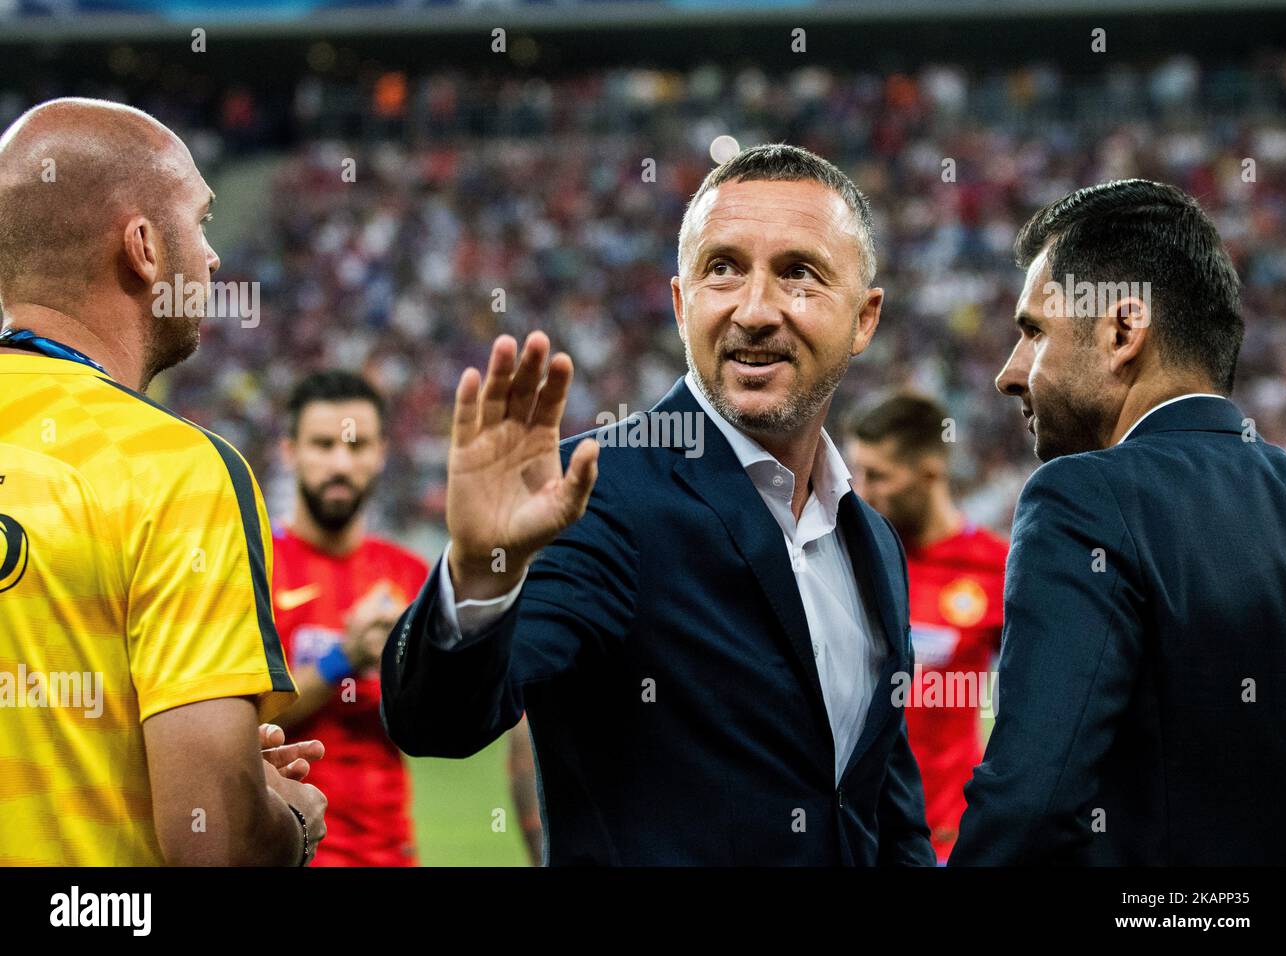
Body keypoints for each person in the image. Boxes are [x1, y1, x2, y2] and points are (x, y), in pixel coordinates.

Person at [382, 143, 933, 865]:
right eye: (724, 269)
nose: (756, 309)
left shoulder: (874, 542)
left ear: (865, 319)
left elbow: (881, 815)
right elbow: (439, 723)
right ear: (681, 304)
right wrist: (483, 574)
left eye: (798, 273)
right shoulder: (594, 493)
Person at [0, 97, 325, 866]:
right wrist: (282, 817)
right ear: (144, 247)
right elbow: (213, 845)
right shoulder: (173, 470)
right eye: (200, 221)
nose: (212, 257)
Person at [950, 179, 1286, 865]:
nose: (1008, 373)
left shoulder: (1083, 498)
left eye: (1032, 332)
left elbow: (1032, 803)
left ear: (1121, 330)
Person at [270, 370, 429, 865]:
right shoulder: (254, 569)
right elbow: (241, 720)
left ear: (381, 453)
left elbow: (437, 730)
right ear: (289, 451)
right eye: (322, 444)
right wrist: (346, 656)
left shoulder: (410, 575)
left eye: (357, 446)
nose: (341, 463)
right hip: (290, 853)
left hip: (391, 854)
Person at [846, 393, 1007, 863]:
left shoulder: (997, 570)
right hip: (854, 836)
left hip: (945, 840)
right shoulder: (851, 559)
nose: (861, 491)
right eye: (857, 472)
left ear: (931, 472)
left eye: (878, 475)